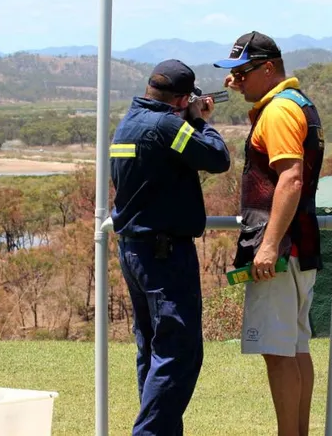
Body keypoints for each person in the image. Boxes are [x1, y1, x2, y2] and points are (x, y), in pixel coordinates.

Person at [109, 59, 231, 435]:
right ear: (181, 98)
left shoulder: (128, 123)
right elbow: (217, 158)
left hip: (135, 250)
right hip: (163, 255)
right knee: (178, 353)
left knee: (154, 352)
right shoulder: (167, 124)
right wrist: (198, 120)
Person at [213, 31, 325, 436]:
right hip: (301, 243)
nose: (235, 82)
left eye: (241, 74)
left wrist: (269, 245)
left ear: (266, 69)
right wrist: (245, 89)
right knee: (295, 349)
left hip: (280, 248)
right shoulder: (297, 104)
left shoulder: (278, 112)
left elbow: (290, 180)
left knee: (277, 354)